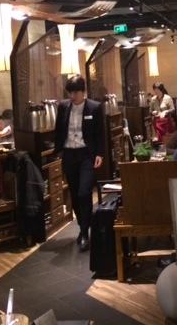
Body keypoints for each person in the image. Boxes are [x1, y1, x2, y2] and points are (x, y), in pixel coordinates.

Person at [54, 75, 105, 251]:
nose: (72, 96)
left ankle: (84, 232)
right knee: (75, 193)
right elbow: (58, 129)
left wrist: (100, 154)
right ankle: (83, 227)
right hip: (69, 154)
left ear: (84, 92)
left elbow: (100, 133)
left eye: (75, 92)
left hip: (86, 155)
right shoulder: (63, 106)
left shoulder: (94, 107)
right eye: (70, 92)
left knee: (84, 192)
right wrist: (58, 150)